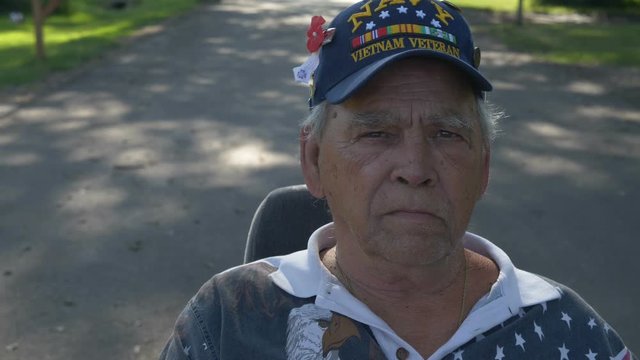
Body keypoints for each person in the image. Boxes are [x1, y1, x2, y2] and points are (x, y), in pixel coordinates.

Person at [160, 1, 636, 359]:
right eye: (377, 133)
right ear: (314, 160)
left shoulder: (568, 332)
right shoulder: (225, 323)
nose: (415, 168)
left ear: (484, 167)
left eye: (447, 134)